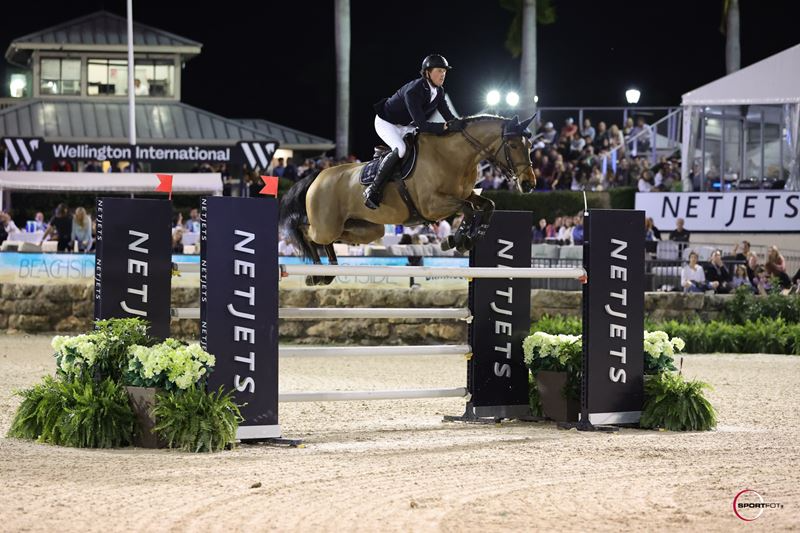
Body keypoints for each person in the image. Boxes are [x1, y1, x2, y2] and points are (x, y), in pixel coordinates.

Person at [365, 54, 460, 209]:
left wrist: (463, 125)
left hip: (405, 125)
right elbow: (422, 124)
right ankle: (373, 189)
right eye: (439, 70)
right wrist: (443, 127)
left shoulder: (439, 92)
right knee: (401, 149)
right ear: (427, 72)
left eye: (444, 71)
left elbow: (449, 117)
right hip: (386, 122)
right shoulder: (414, 90)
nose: (443, 74)